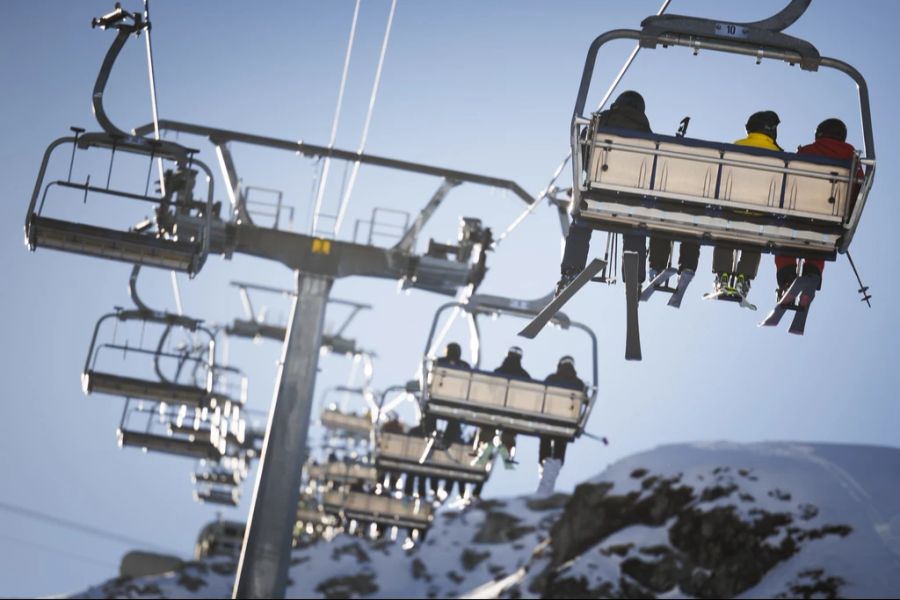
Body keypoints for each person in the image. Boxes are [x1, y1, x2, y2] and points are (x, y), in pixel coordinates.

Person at [558, 91, 654, 294]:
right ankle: (634, 278)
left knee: (581, 222)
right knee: (635, 226)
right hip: (630, 200)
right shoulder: (646, 133)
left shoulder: (603, 121)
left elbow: (582, 150)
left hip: (599, 195)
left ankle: (571, 271)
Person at [774, 118, 863, 295]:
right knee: (821, 242)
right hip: (831, 217)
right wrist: (848, 214)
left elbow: (790, 179)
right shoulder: (851, 158)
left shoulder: (807, 151)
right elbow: (859, 184)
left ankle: (787, 279)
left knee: (785, 242)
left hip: (799, 213)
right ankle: (812, 276)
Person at [711, 110, 782, 299]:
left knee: (725, 231)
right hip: (760, 212)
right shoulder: (779, 156)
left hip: (733, 208)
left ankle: (722, 275)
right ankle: (744, 277)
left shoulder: (736, 147)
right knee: (756, 235)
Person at [539, 356, 586, 466]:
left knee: (546, 436)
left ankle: (544, 461)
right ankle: (557, 462)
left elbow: (541, 395)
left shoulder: (551, 379)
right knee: (561, 440)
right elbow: (585, 401)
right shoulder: (579, 383)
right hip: (568, 421)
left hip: (549, 419)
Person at [491, 346, 531, 465]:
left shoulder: (498, 371)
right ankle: (509, 453)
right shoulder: (524, 376)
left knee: (487, 426)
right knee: (510, 431)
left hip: (495, 409)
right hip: (514, 413)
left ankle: (482, 448)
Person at [433, 342, 469, 442]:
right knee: (454, 419)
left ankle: (432, 434)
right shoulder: (464, 366)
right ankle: (448, 439)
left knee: (430, 414)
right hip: (456, 401)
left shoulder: (439, 362)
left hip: (438, 397)